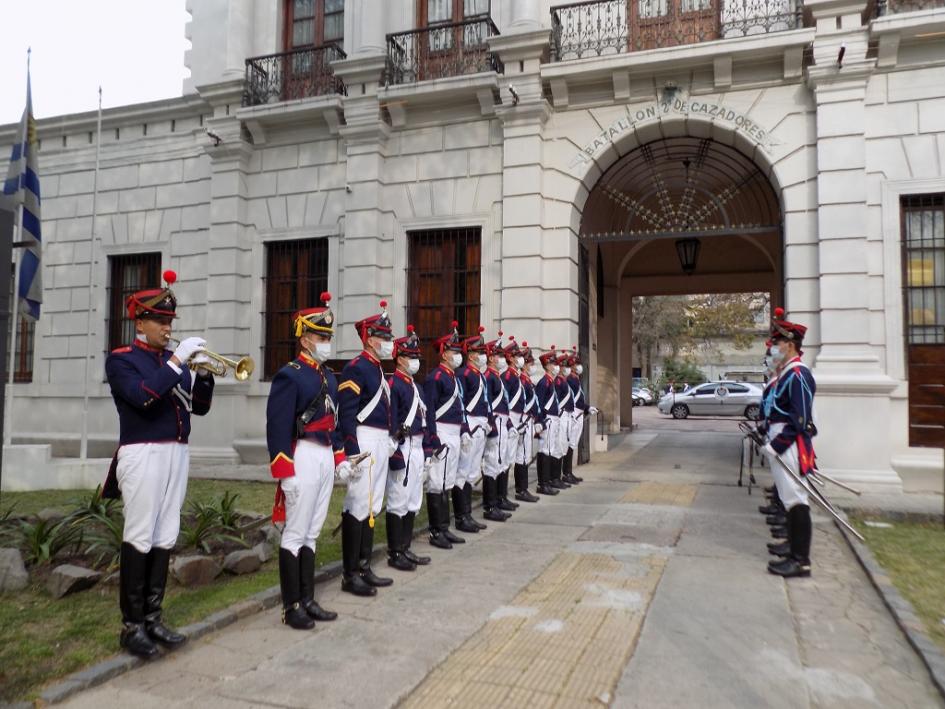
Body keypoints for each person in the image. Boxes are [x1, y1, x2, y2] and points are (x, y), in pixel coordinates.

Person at [104, 270, 214, 657]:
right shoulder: (122, 360)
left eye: (170, 322)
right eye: (161, 321)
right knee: (139, 534)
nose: (168, 329)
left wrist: (202, 376)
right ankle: (131, 626)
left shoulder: (174, 362)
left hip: (176, 452)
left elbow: (198, 409)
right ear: (140, 322)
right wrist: (178, 362)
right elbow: (143, 397)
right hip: (143, 451)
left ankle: (153, 618)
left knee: (165, 532)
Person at [266, 293, 343, 629]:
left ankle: (308, 598)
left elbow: (335, 423)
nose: (326, 343)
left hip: (324, 454)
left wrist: (340, 458)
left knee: (312, 531)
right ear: (304, 338)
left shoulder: (329, 376)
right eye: (321, 337)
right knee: (295, 533)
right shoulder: (291, 374)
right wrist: (286, 473)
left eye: (328, 337)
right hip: (303, 455)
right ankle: (291, 605)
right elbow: (278, 425)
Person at [337, 300, 396, 596]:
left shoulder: (378, 370)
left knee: (372, 505)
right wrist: (351, 451)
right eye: (384, 337)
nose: (389, 342)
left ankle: (364, 567)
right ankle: (350, 575)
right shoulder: (356, 368)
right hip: (362, 440)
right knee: (358, 504)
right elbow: (346, 413)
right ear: (370, 339)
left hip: (379, 440)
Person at [761, 308, 817, 578]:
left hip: (791, 445)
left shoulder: (798, 375)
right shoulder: (787, 374)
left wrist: (777, 445)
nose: (775, 348)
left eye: (779, 343)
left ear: (791, 344)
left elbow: (801, 418)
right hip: (782, 443)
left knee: (796, 499)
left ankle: (800, 560)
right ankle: (792, 549)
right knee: (788, 497)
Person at [386, 325, 432, 571]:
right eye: (411, 357)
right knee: (398, 500)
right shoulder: (395, 384)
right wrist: (394, 455)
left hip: (416, 446)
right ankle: (395, 553)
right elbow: (392, 421)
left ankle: (405, 548)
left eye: (417, 357)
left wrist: (426, 451)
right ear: (400, 358)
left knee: (413, 499)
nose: (415, 361)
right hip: (401, 446)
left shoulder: (415, 386)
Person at [423, 321, 469, 549]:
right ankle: (435, 531)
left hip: (453, 432)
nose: (458, 355)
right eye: (453, 351)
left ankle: (445, 527)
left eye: (459, 351)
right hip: (440, 431)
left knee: (447, 481)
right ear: (443, 354)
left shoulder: (453, 377)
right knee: (436, 482)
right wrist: (433, 438)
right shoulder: (436, 378)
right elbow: (430, 412)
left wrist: (463, 431)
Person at [456, 326, 495, 529]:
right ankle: (461, 517)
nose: (482, 356)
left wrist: (488, 422)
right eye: (479, 353)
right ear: (470, 355)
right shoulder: (463, 374)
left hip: (480, 424)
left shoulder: (479, 375)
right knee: (462, 471)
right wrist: (465, 428)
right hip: (470, 423)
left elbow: (486, 401)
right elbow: (461, 401)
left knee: (472, 472)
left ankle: (468, 514)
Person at [482, 331, 516, 520]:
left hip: (502, 421)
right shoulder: (489, 376)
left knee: (501, 461)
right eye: (500, 355)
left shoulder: (496, 377)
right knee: (492, 463)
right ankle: (490, 505)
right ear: (492, 357)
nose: (503, 359)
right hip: (494, 421)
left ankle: (499, 499)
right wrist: (492, 423)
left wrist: (508, 423)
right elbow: (487, 402)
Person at [504, 338, 539, 503]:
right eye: (518, 356)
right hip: (513, 418)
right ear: (510, 358)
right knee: (507, 458)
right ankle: (502, 496)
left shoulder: (518, 378)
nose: (523, 361)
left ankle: (522, 489)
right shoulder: (508, 377)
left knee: (523, 455)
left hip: (523, 419)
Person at [566, 347, 599, 485]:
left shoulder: (576, 379)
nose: (578, 366)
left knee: (572, 444)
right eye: (575, 364)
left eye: (578, 364)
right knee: (568, 444)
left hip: (578, 413)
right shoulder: (570, 380)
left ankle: (568, 472)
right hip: (573, 414)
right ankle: (565, 473)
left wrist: (587, 408)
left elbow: (579, 399)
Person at [534, 346, 564, 494]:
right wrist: (539, 421)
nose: (556, 367)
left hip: (554, 419)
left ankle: (550, 480)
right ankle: (543, 483)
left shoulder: (551, 382)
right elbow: (538, 403)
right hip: (547, 420)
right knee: (545, 450)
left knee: (552, 449)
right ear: (546, 366)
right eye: (553, 364)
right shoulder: (544, 382)